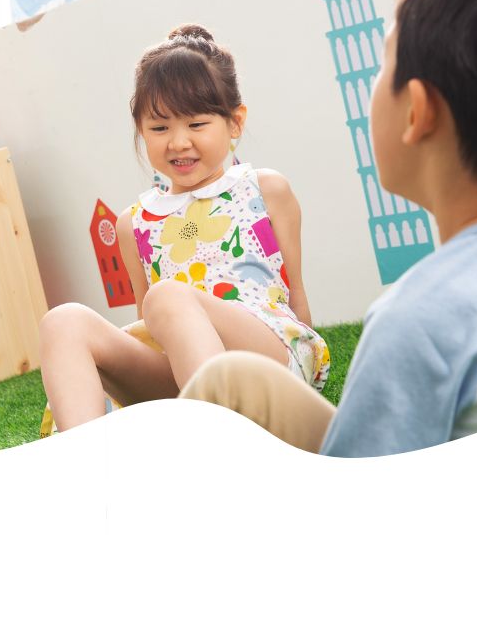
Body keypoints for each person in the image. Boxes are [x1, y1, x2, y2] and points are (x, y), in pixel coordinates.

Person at [181, 0, 477, 455]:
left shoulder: (422, 318)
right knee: (234, 380)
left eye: (385, 61)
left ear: (418, 113)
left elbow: (356, 502)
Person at [39, 24, 328, 433]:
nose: (177, 142)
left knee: (167, 297)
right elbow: (150, 325)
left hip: (269, 360)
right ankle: (89, 465)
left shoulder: (263, 188)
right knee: (63, 320)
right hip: (183, 384)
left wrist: (310, 391)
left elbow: (295, 294)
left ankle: (223, 441)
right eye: (160, 128)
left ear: (235, 122)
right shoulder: (133, 222)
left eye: (195, 124)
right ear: (141, 131)